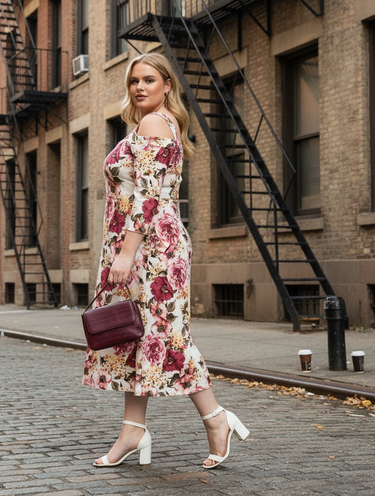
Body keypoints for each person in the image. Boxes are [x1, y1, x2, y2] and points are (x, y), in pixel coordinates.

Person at [83, 52, 249, 469]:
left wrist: (126, 251)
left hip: (151, 249)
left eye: (150, 80)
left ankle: (216, 420)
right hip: (145, 246)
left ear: (167, 85)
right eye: (134, 80)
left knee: (168, 337)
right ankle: (133, 432)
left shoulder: (156, 123)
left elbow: (148, 194)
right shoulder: (149, 124)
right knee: (135, 335)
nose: (140, 87)